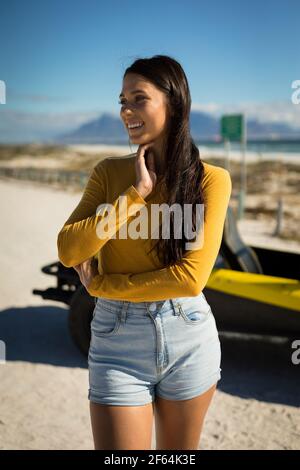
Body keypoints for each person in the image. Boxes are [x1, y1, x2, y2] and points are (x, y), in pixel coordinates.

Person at [57, 55, 232, 450]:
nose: (126, 111)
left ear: (174, 103)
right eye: (122, 100)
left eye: (139, 98)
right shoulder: (108, 174)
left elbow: (189, 279)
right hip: (116, 339)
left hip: (188, 334)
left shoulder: (212, 181)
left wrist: (103, 285)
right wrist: (134, 196)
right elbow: (69, 250)